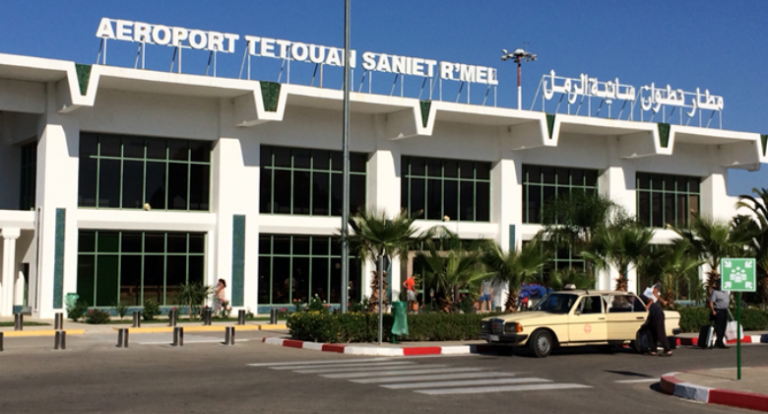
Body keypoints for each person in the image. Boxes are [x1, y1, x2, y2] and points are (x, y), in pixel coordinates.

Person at [708, 279, 730, 349]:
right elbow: (711, 302)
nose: (720, 286)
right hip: (718, 311)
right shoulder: (715, 292)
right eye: (719, 285)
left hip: (724, 310)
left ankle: (720, 341)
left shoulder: (726, 291)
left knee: (723, 326)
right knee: (719, 327)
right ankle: (719, 342)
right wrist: (713, 310)